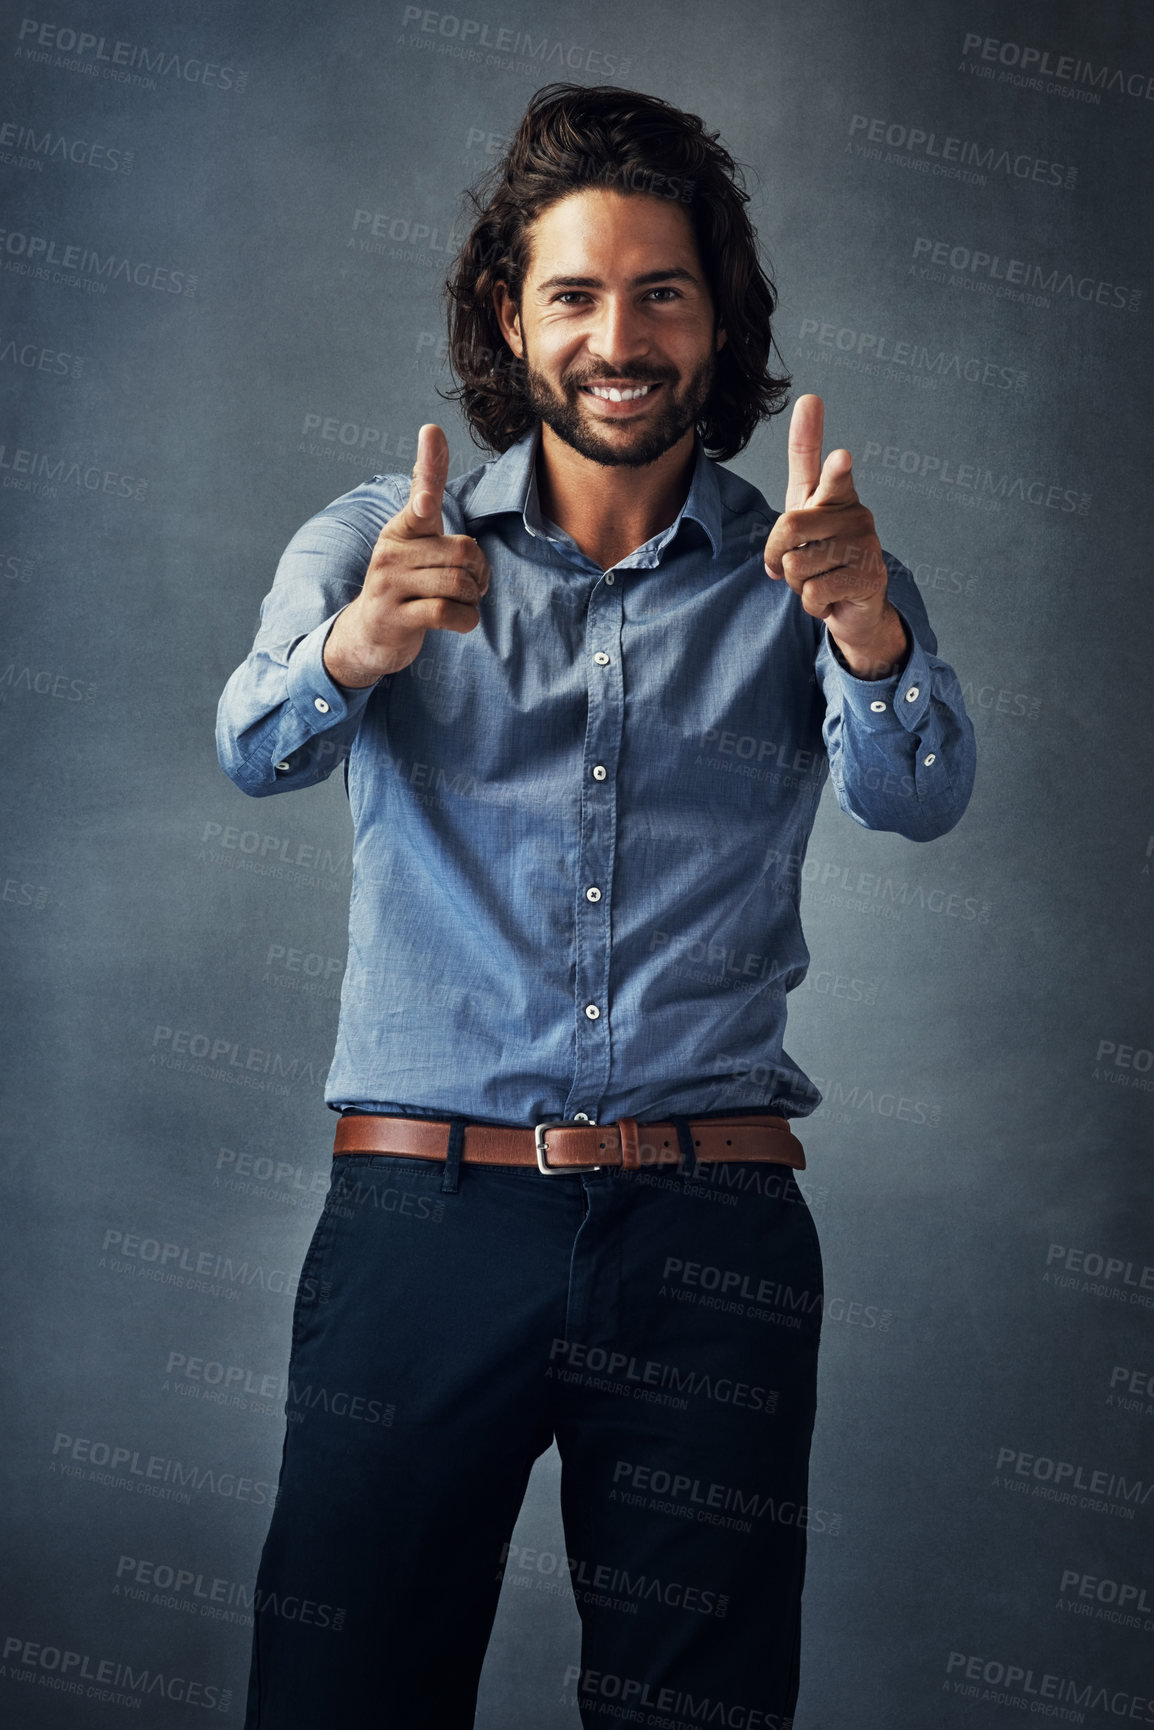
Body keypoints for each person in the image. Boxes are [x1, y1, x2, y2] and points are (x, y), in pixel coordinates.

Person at [217, 81, 975, 1730]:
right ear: (513, 315)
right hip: (425, 1222)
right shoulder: (379, 542)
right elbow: (249, 745)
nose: (616, 336)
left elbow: (917, 795)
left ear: (718, 319)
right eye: (573, 293)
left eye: (660, 290)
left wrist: (867, 630)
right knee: (339, 1693)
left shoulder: (816, 563)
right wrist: (353, 650)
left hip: (712, 1238)